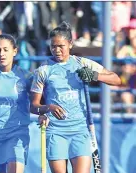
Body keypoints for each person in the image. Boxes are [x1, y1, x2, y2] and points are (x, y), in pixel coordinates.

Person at [30, 21, 122, 173]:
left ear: (70, 44)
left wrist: (94, 75)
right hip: (55, 132)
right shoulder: (43, 70)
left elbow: (116, 79)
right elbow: (33, 106)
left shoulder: (81, 63)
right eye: (53, 46)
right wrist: (48, 108)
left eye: (61, 46)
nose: (57, 50)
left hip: (80, 131)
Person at [0, 34, 32, 173]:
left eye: (5, 49)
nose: (1, 53)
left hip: (17, 132)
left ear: (15, 51)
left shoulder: (26, 76)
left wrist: (44, 113)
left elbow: (38, 101)